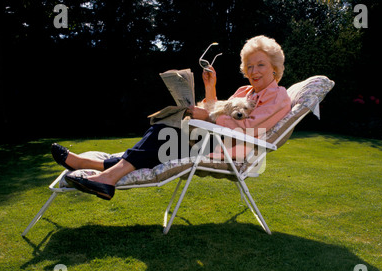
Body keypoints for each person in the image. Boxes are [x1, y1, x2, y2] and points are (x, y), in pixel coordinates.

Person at [52, 35, 292, 200]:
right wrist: (211, 86)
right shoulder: (244, 92)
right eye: (249, 66)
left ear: (274, 67)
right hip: (211, 138)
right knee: (163, 132)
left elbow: (248, 126)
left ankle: (104, 176)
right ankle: (96, 169)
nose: (253, 71)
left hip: (228, 149)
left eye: (260, 65)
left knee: (163, 135)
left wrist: (207, 116)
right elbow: (219, 110)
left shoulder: (278, 96)